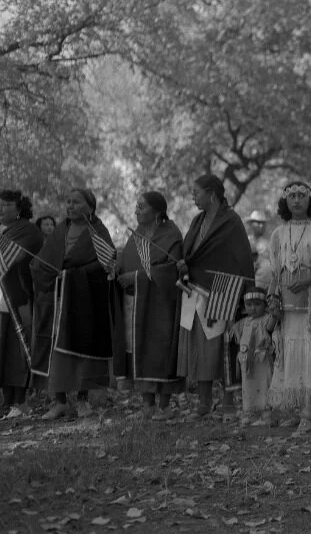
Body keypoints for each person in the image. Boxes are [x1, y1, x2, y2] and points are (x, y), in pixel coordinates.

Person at [31, 189, 115, 420]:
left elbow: (105, 263)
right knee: (54, 350)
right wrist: (40, 270)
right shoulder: (60, 230)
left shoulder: (98, 231)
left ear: (90, 206)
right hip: (56, 300)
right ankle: (59, 402)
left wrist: (71, 275)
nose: (70, 205)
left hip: (84, 301)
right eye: (68, 201)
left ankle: (82, 401)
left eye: (76, 202)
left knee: (82, 350)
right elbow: (45, 260)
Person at [176, 175, 254, 420]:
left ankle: (228, 402)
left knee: (222, 348)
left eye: (196, 192)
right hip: (194, 291)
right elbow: (190, 252)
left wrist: (244, 294)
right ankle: (204, 401)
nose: (193, 197)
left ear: (212, 194)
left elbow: (241, 259)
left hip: (222, 293)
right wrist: (183, 265)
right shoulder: (198, 220)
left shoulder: (231, 221)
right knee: (198, 346)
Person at [112, 191, 184, 421]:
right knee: (139, 350)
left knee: (159, 352)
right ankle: (147, 405)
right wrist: (115, 270)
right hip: (136, 304)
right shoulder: (136, 236)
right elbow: (125, 263)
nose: (136, 210)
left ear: (157, 211)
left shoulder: (171, 234)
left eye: (141, 206)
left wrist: (137, 277)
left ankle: (164, 406)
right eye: (136, 206)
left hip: (162, 305)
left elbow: (171, 269)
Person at [266, 182, 311, 434]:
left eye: (302, 196)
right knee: (288, 354)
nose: (296, 200)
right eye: (291, 196)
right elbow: (275, 271)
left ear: (310, 200)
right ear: (285, 201)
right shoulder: (278, 234)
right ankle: (294, 409)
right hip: (287, 305)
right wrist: (273, 298)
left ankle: (309, 411)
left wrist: (307, 281)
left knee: (310, 353)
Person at [0, 190, 45, 418]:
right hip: (1, 301)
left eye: (7, 204)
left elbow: (14, 259)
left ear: (19, 207)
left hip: (20, 298)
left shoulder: (27, 230)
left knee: (19, 351)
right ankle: (7, 402)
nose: (1, 208)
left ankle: (21, 401)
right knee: (2, 352)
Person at [229, 286, 277, 426]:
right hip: (246, 362)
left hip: (261, 360)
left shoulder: (266, 319)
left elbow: (270, 327)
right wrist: (229, 316)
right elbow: (235, 334)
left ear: (264, 305)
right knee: (248, 387)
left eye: (257, 304)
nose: (253, 308)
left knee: (264, 385)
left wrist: (274, 313)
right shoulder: (244, 322)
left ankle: (266, 415)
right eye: (249, 305)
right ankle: (250, 413)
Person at [246, 210, 272, 289]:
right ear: (251, 224)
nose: (261, 226)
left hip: (266, 285)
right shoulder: (246, 241)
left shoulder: (269, 244)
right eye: (258, 222)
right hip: (249, 284)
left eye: (263, 223)